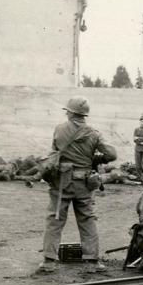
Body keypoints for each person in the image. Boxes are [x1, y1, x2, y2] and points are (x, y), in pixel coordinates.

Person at [39, 96, 117, 274]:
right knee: (87, 219)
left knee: (55, 220)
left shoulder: (59, 129)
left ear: (71, 113)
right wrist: (97, 158)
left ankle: (49, 262)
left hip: (62, 183)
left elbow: (54, 153)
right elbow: (112, 154)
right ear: (84, 115)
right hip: (85, 183)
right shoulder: (94, 133)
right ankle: (91, 262)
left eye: (67, 111)